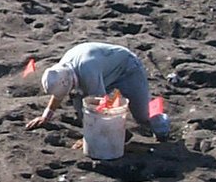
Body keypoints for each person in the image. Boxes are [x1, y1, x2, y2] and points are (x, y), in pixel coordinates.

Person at [26, 42, 169, 137]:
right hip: (104, 71)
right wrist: (47, 115)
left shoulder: (88, 72)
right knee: (82, 107)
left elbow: (100, 107)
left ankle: (162, 123)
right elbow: (59, 91)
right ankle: (118, 134)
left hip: (128, 69)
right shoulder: (60, 69)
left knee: (143, 118)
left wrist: (88, 140)